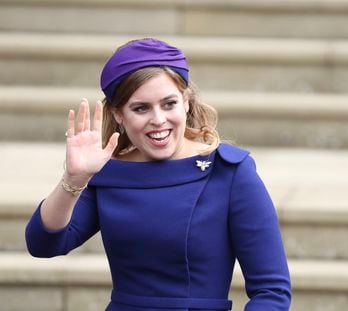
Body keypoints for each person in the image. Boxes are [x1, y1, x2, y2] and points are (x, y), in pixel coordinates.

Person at [25, 38, 291, 311]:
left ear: (186, 102)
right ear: (118, 114)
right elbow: (43, 243)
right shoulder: (108, 173)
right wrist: (73, 180)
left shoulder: (230, 171)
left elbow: (271, 291)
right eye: (141, 108)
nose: (158, 120)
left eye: (168, 104)